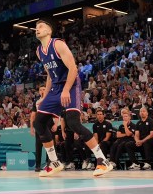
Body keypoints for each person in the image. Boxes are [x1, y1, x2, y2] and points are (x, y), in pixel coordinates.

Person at [32, 17, 112, 177]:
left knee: (73, 123)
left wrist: (66, 89)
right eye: (35, 27)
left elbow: (73, 68)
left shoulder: (58, 44)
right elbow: (49, 75)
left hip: (71, 84)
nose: (37, 29)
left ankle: (102, 160)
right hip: (55, 88)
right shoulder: (39, 51)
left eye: (40, 26)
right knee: (39, 123)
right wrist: (44, 97)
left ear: (49, 30)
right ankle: (54, 162)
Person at [30, 86, 47, 172]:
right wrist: (32, 128)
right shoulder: (36, 102)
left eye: (44, 89)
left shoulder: (50, 99)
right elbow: (33, 115)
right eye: (40, 90)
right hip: (39, 124)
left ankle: (50, 164)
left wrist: (55, 124)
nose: (42, 91)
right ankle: (38, 166)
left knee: (50, 145)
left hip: (48, 123)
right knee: (38, 146)